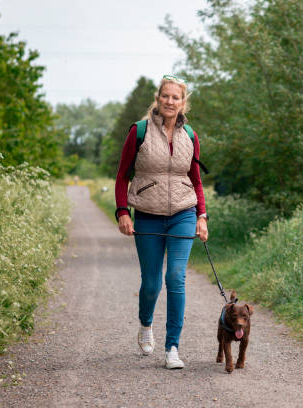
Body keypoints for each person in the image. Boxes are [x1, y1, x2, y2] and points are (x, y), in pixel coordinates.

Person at [114, 75, 208, 369]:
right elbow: (122, 176)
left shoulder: (190, 136)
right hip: (148, 216)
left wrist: (201, 216)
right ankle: (145, 323)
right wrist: (122, 211)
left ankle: (172, 348)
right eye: (165, 96)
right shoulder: (139, 132)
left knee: (175, 278)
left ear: (183, 102)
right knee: (152, 283)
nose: (170, 101)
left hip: (183, 212)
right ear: (158, 99)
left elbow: (196, 180)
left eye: (175, 97)